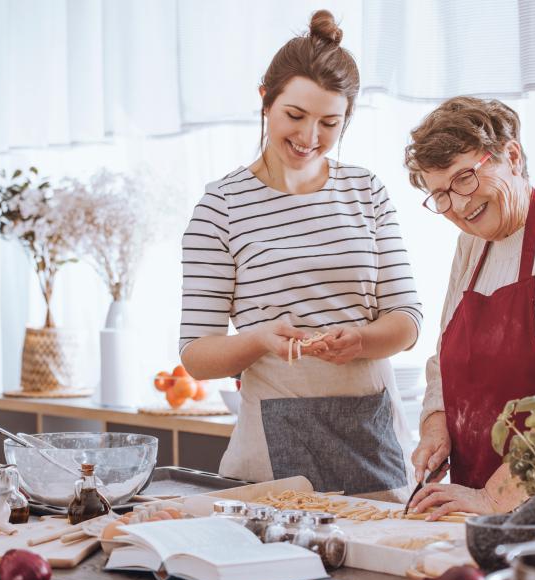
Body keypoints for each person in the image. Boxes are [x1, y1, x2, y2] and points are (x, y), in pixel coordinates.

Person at [178, 10, 423, 501]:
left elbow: (408, 321)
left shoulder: (366, 192)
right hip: (270, 452)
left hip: (372, 446)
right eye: (295, 115)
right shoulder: (219, 208)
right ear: (265, 100)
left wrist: (361, 339)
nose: (310, 138)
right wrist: (262, 339)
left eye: (329, 123)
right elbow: (197, 357)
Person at [405, 96, 535, 520]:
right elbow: (445, 360)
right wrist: (436, 425)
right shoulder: (471, 246)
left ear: (511, 156)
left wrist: (495, 498)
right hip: (477, 512)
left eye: (465, 178)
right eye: (440, 194)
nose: (459, 206)